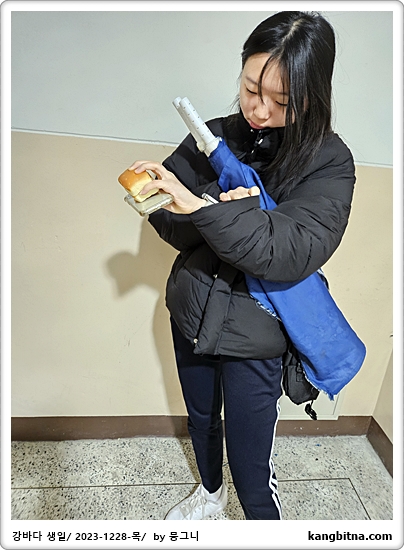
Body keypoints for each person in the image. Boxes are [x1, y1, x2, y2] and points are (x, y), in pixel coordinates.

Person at [129, 11, 356, 520]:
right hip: (191, 312)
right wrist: (170, 197)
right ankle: (209, 496)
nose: (258, 108)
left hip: (258, 337)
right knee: (201, 420)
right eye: (251, 87)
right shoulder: (212, 135)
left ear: (313, 96)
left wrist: (203, 206)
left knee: (252, 469)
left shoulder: (329, 162)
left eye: (282, 101)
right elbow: (170, 224)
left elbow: (286, 251)